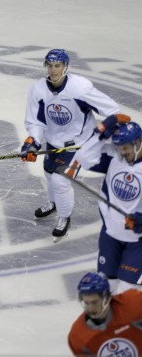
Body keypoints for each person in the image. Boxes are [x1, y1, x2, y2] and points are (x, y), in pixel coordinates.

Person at [20, 48, 119, 240]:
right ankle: (54, 203)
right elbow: (35, 121)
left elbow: (112, 109)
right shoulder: (38, 89)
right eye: (49, 65)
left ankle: (64, 218)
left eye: (57, 66)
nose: (53, 70)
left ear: (65, 67)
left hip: (78, 145)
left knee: (61, 181)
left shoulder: (79, 88)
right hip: (53, 141)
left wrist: (105, 130)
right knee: (49, 173)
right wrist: (33, 141)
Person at [66, 117, 142, 292]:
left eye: (125, 147)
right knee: (107, 288)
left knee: (127, 292)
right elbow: (83, 157)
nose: (122, 152)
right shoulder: (115, 159)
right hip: (110, 235)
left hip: (137, 242)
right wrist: (102, 132)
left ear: (138, 142)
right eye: (118, 147)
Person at [68, 271, 142, 357]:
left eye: (94, 302)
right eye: (86, 302)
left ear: (106, 298)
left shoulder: (134, 304)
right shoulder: (78, 335)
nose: (90, 308)